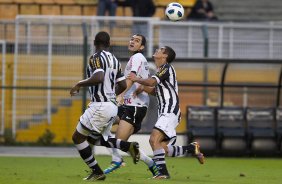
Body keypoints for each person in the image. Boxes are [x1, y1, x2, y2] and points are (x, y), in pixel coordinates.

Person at [70, 31, 140, 181]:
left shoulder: (96, 57)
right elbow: (122, 84)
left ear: (94, 43)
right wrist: (110, 95)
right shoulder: (114, 59)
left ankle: (97, 171)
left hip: (100, 105)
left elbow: (99, 77)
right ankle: (127, 147)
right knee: (93, 139)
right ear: (109, 44)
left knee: (78, 137)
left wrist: (79, 84)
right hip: (111, 106)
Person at [128, 46, 205, 179]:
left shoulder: (166, 67)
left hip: (170, 110)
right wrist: (143, 88)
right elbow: (155, 91)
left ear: (165, 56)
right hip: (167, 112)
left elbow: (152, 82)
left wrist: (136, 79)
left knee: (153, 139)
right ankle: (192, 149)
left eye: (160, 49)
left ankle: (163, 174)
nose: (157, 50)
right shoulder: (161, 71)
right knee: (163, 149)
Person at [103, 34, 159, 177]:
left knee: (120, 141)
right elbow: (137, 79)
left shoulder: (137, 58)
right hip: (128, 105)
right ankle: (121, 159)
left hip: (135, 106)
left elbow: (132, 79)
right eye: (132, 39)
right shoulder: (137, 59)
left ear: (142, 47)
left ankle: (118, 159)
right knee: (103, 122)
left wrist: (120, 94)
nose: (133, 42)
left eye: (137, 41)